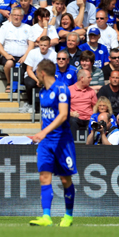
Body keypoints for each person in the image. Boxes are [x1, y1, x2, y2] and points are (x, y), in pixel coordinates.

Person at [29, 59, 75, 227]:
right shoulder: (42, 92)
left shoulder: (62, 89)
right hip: (46, 142)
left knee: (65, 180)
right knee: (44, 176)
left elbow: (63, 115)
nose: (35, 76)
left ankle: (68, 216)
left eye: (36, 73)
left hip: (62, 141)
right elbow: (45, 118)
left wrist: (42, 133)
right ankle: (46, 217)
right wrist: (42, 139)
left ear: (42, 73)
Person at [0, 7, 33, 93]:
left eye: (18, 15)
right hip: (8, 55)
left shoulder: (28, 28)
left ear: (22, 17)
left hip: (24, 57)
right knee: (9, 63)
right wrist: (6, 55)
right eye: (14, 15)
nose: (16, 17)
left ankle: (22, 86)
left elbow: (31, 45)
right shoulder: (5, 27)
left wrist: (25, 56)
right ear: (11, 16)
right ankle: (9, 83)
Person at [24, 36, 57, 111]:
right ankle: (30, 104)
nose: (43, 47)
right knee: (29, 83)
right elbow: (29, 70)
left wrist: (44, 80)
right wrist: (37, 80)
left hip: (47, 76)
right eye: (41, 45)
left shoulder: (54, 54)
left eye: (45, 45)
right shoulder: (32, 52)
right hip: (33, 75)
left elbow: (54, 71)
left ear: (49, 46)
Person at [69, 69, 97, 138]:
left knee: (95, 122)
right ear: (82, 78)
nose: (91, 79)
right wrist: (71, 113)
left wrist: (93, 116)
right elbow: (62, 106)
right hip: (75, 118)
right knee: (72, 121)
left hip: (89, 118)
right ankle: (73, 144)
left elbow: (95, 106)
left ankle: (92, 145)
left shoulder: (91, 91)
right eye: (89, 77)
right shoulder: (69, 90)